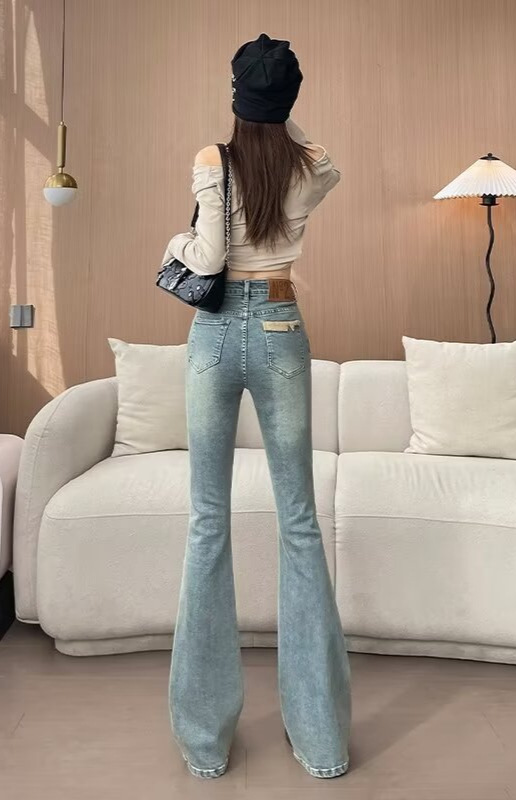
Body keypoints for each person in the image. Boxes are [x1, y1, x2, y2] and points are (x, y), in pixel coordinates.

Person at [164, 32, 352, 780]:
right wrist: (277, 114)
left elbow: (207, 258)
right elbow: (324, 157)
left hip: (214, 336)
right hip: (280, 328)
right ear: (288, 99)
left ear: (236, 95)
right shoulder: (309, 167)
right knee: (299, 524)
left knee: (207, 523)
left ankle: (206, 743)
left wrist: (176, 242)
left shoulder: (214, 160)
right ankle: (323, 742)